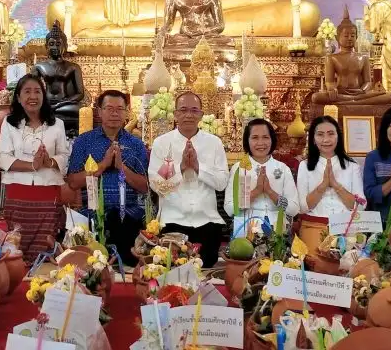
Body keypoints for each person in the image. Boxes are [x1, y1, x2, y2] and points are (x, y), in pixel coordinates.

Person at [67, 90, 149, 266]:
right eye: (109, 108)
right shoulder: (84, 141)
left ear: (127, 112)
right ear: (99, 111)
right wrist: (102, 165)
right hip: (91, 214)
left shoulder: (136, 144)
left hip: (127, 215)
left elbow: (145, 187)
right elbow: (73, 182)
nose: (114, 113)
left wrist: (121, 167)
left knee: (128, 263)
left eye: (119, 109)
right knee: (91, 266)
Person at [148, 91, 228, 267]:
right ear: (175, 114)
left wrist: (199, 168)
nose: (189, 115)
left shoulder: (214, 143)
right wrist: (181, 168)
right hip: (172, 221)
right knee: (173, 271)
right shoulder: (162, 143)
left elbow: (221, 183)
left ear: (201, 115)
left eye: (194, 110)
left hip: (207, 221)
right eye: (183, 110)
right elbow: (157, 186)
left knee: (205, 271)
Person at [0, 74, 70, 263]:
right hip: (17, 192)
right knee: (15, 245)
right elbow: (4, 158)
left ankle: (42, 278)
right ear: (18, 97)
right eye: (27, 92)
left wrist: (49, 162)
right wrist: (32, 165)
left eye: (37, 91)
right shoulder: (9, 123)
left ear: (44, 95)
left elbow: (64, 156)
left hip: (48, 192)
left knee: (44, 246)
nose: (33, 96)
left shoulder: (57, 124)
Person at [296, 116, 364, 254]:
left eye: (331, 134)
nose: (326, 140)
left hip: (346, 228)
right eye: (320, 135)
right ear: (313, 139)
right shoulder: (304, 166)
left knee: (347, 264)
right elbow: (302, 207)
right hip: (314, 226)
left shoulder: (352, 166)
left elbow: (360, 206)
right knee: (317, 263)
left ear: (338, 137)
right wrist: (323, 186)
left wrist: (336, 185)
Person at [224, 118, 299, 235]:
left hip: (278, 235)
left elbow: (294, 209)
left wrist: (270, 192)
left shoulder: (283, 169)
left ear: (272, 140)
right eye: (255, 137)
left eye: (265, 137)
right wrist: (256, 191)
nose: (260, 143)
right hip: (245, 232)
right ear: (247, 140)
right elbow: (230, 209)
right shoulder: (239, 169)